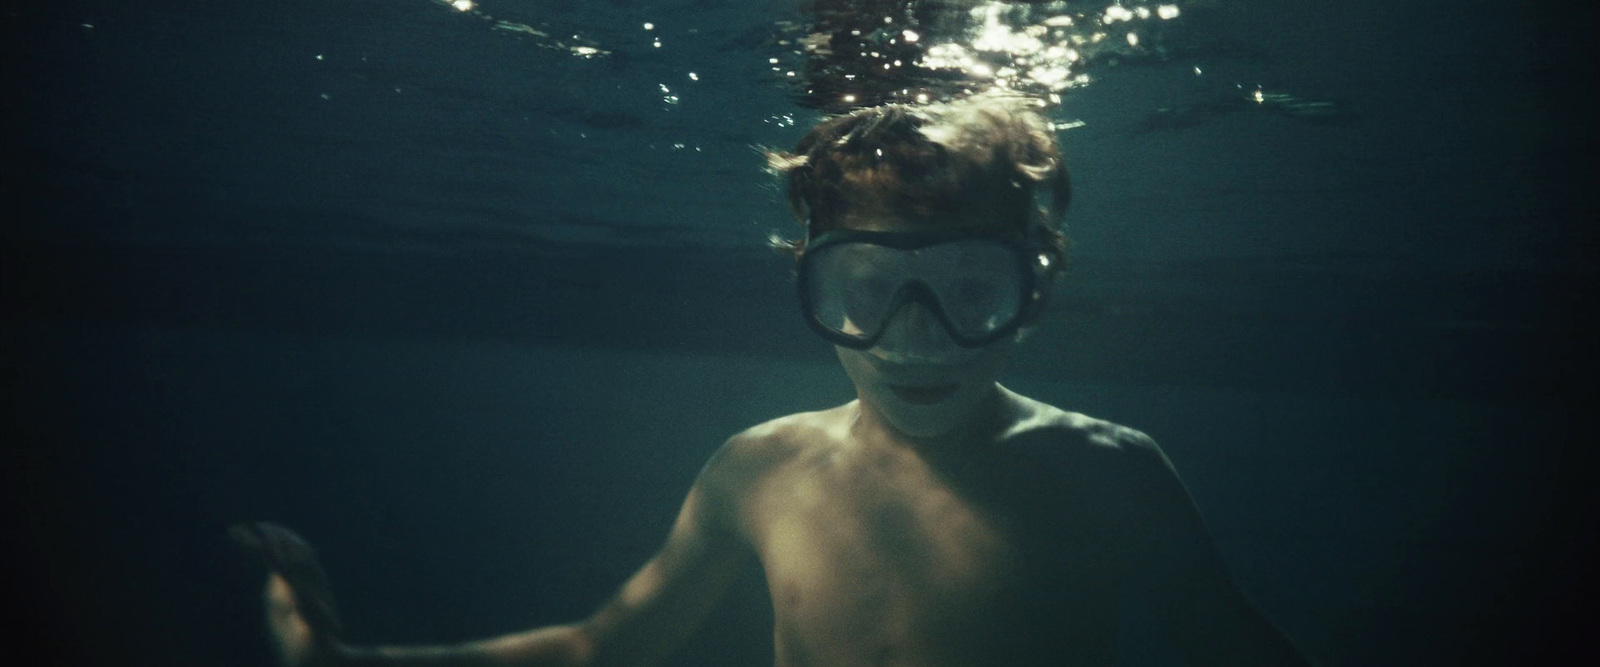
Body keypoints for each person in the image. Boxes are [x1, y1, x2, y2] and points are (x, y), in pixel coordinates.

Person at [236, 94, 1312, 666]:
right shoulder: (758, 468)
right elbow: (601, 647)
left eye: (970, 290)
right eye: (866, 286)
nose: (916, 339)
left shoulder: (1110, 477)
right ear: (809, 282)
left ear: (1038, 285)